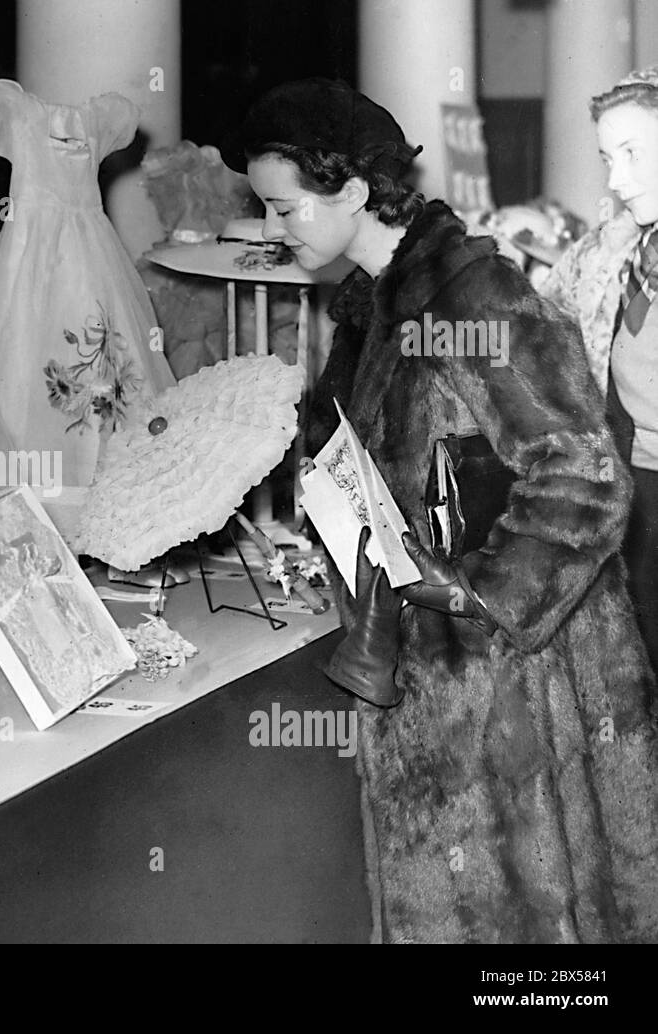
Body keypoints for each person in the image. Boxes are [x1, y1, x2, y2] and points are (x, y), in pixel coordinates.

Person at [227, 78, 658, 943]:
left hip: (520, 688)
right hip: (441, 684)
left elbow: (583, 475)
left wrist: (474, 592)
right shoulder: (375, 309)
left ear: (350, 192)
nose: (274, 231)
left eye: (283, 209)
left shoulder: (473, 296)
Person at [542, 65, 658, 676]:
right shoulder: (634, 247)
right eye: (608, 159)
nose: (617, 179)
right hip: (633, 466)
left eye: (633, 153)